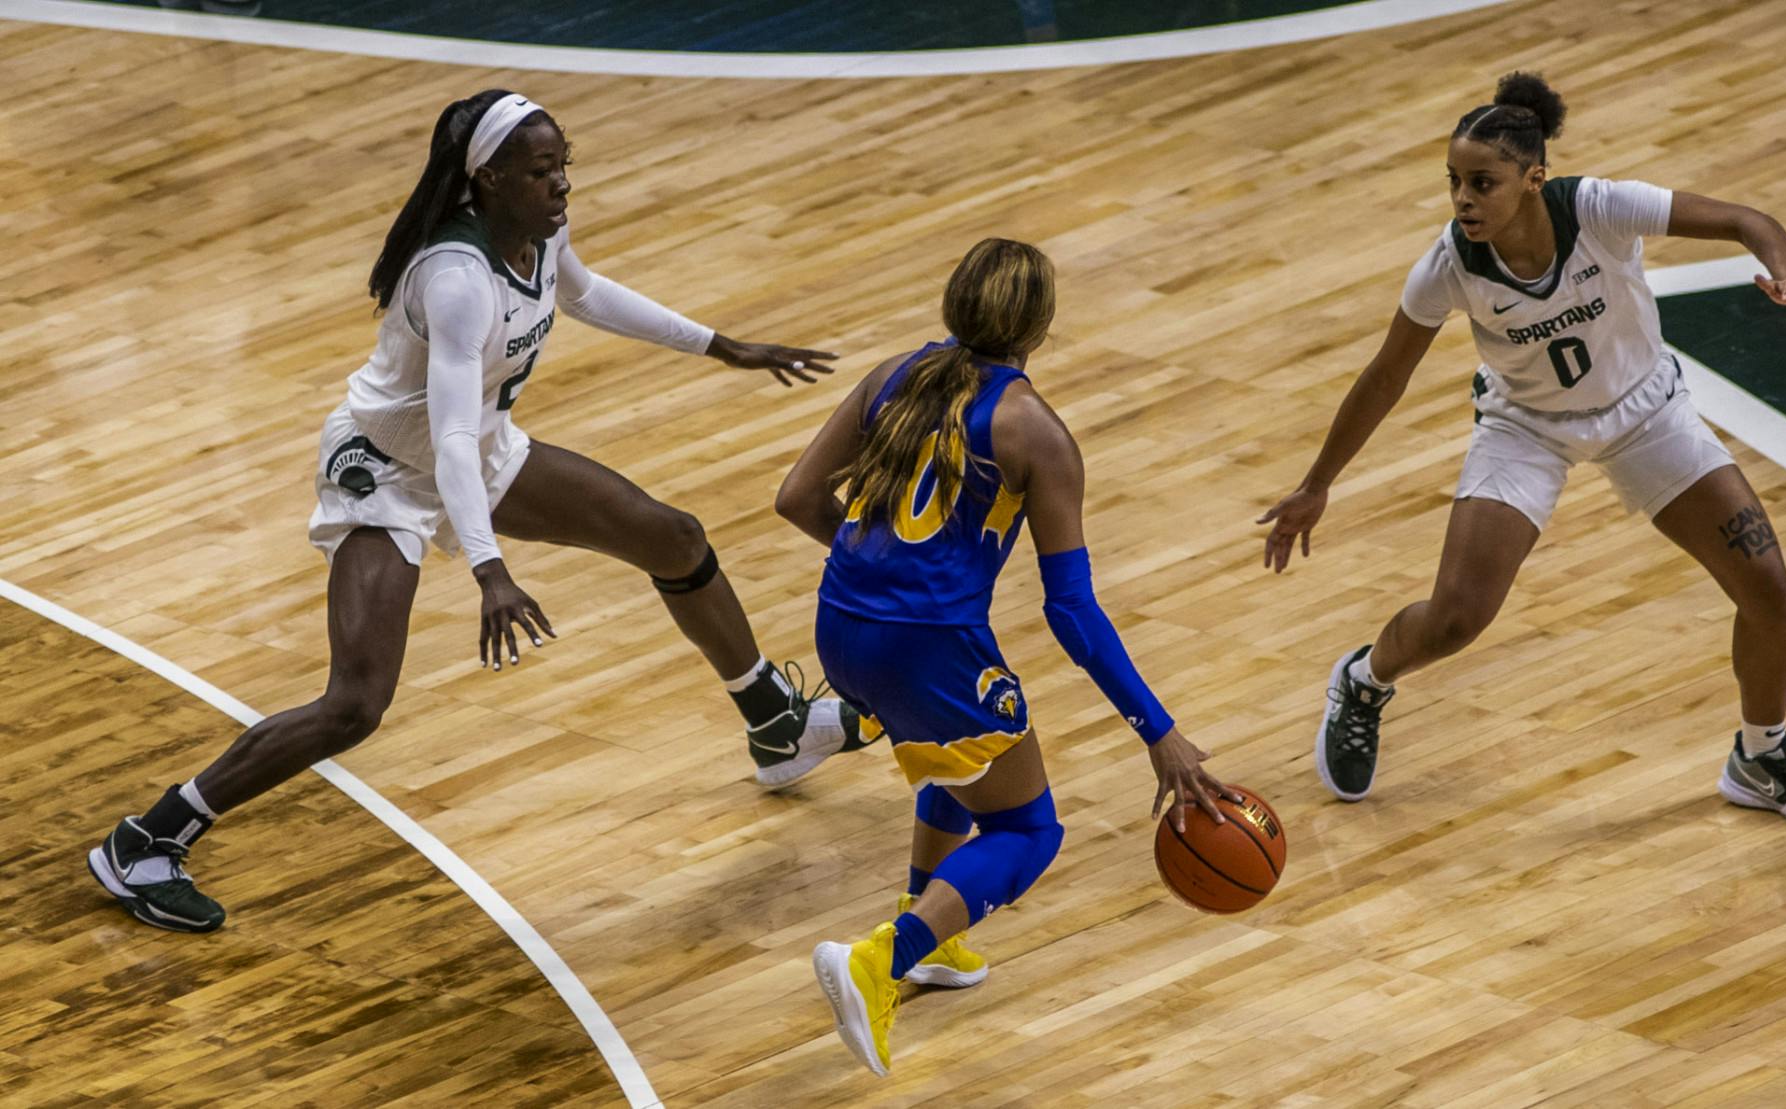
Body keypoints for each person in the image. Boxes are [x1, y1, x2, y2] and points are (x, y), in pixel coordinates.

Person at [88, 89, 869, 934]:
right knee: (356, 703)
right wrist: (489, 568)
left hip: (479, 445)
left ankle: (777, 726)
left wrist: (720, 345)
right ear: (488, 178)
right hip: (386, 468)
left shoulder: (538, 227)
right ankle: (149, 840)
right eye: (543, 171)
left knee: (671, 536)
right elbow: (450, 435)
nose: (562, 184)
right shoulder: (455, 278)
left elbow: (586, 294)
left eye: (565, 164)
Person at [1259, 72, 1786, 833]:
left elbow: (1747, 218)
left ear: (1533, 178)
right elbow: (1386, 375)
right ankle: (1365, 681)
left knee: (1767, 586)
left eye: (1483, 182)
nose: (1463, 200)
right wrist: (1317, 483)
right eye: (1454, 182)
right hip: (1527, 428)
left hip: (1647, 412)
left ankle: (1759, 757)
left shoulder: (1602, 208)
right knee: (1455, 619)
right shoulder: (1449, 264)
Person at [777, 238, 1237, 1076]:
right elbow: (1071, 609)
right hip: (928, 645)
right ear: (1042, 325)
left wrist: (868, 576)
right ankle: (883, 955)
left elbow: (796, 496)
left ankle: (932, 936)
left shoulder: (891, 374)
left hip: (838, 625)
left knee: (954, 757)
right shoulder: (1035, 429)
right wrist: (1157, 731)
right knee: (1027, 825)